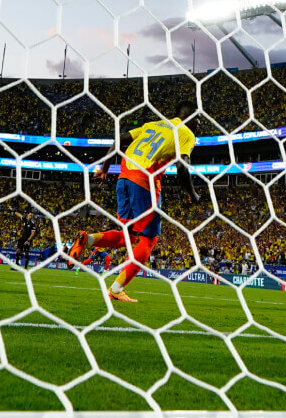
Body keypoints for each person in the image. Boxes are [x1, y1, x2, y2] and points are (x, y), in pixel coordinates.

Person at [69, 101, 201, 302]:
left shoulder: (152, 125)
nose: (200, 124)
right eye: (199, 119)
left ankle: (87, 240)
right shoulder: (186, 133)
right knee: (149, 240)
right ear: (190, 117)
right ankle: (116, 288)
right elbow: (183, 167)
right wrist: (192, 193)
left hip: (123, 179)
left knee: (128, 238)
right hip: (145, 182)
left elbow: (118, 141)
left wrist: (105, 169)